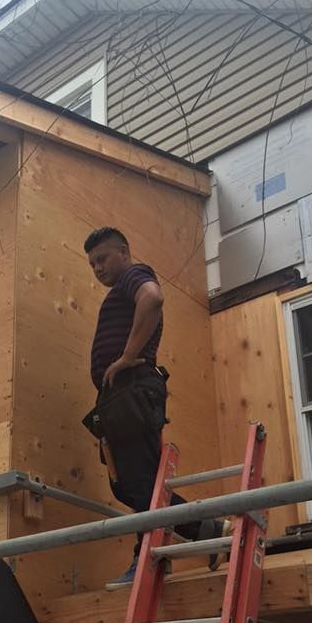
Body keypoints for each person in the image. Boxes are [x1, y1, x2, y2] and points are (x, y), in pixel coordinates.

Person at [81, 227, 230, 590]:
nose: (98, 268)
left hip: (131, 390)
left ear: (123, 251)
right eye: (92, 263)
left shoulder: (134, 274)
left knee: (140, 480)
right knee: (127, 485)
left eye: (103, 258)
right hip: (121, 397)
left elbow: (152, 298)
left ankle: (151, 556)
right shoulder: (122, 287)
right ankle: (207, 530)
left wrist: (128, 356)